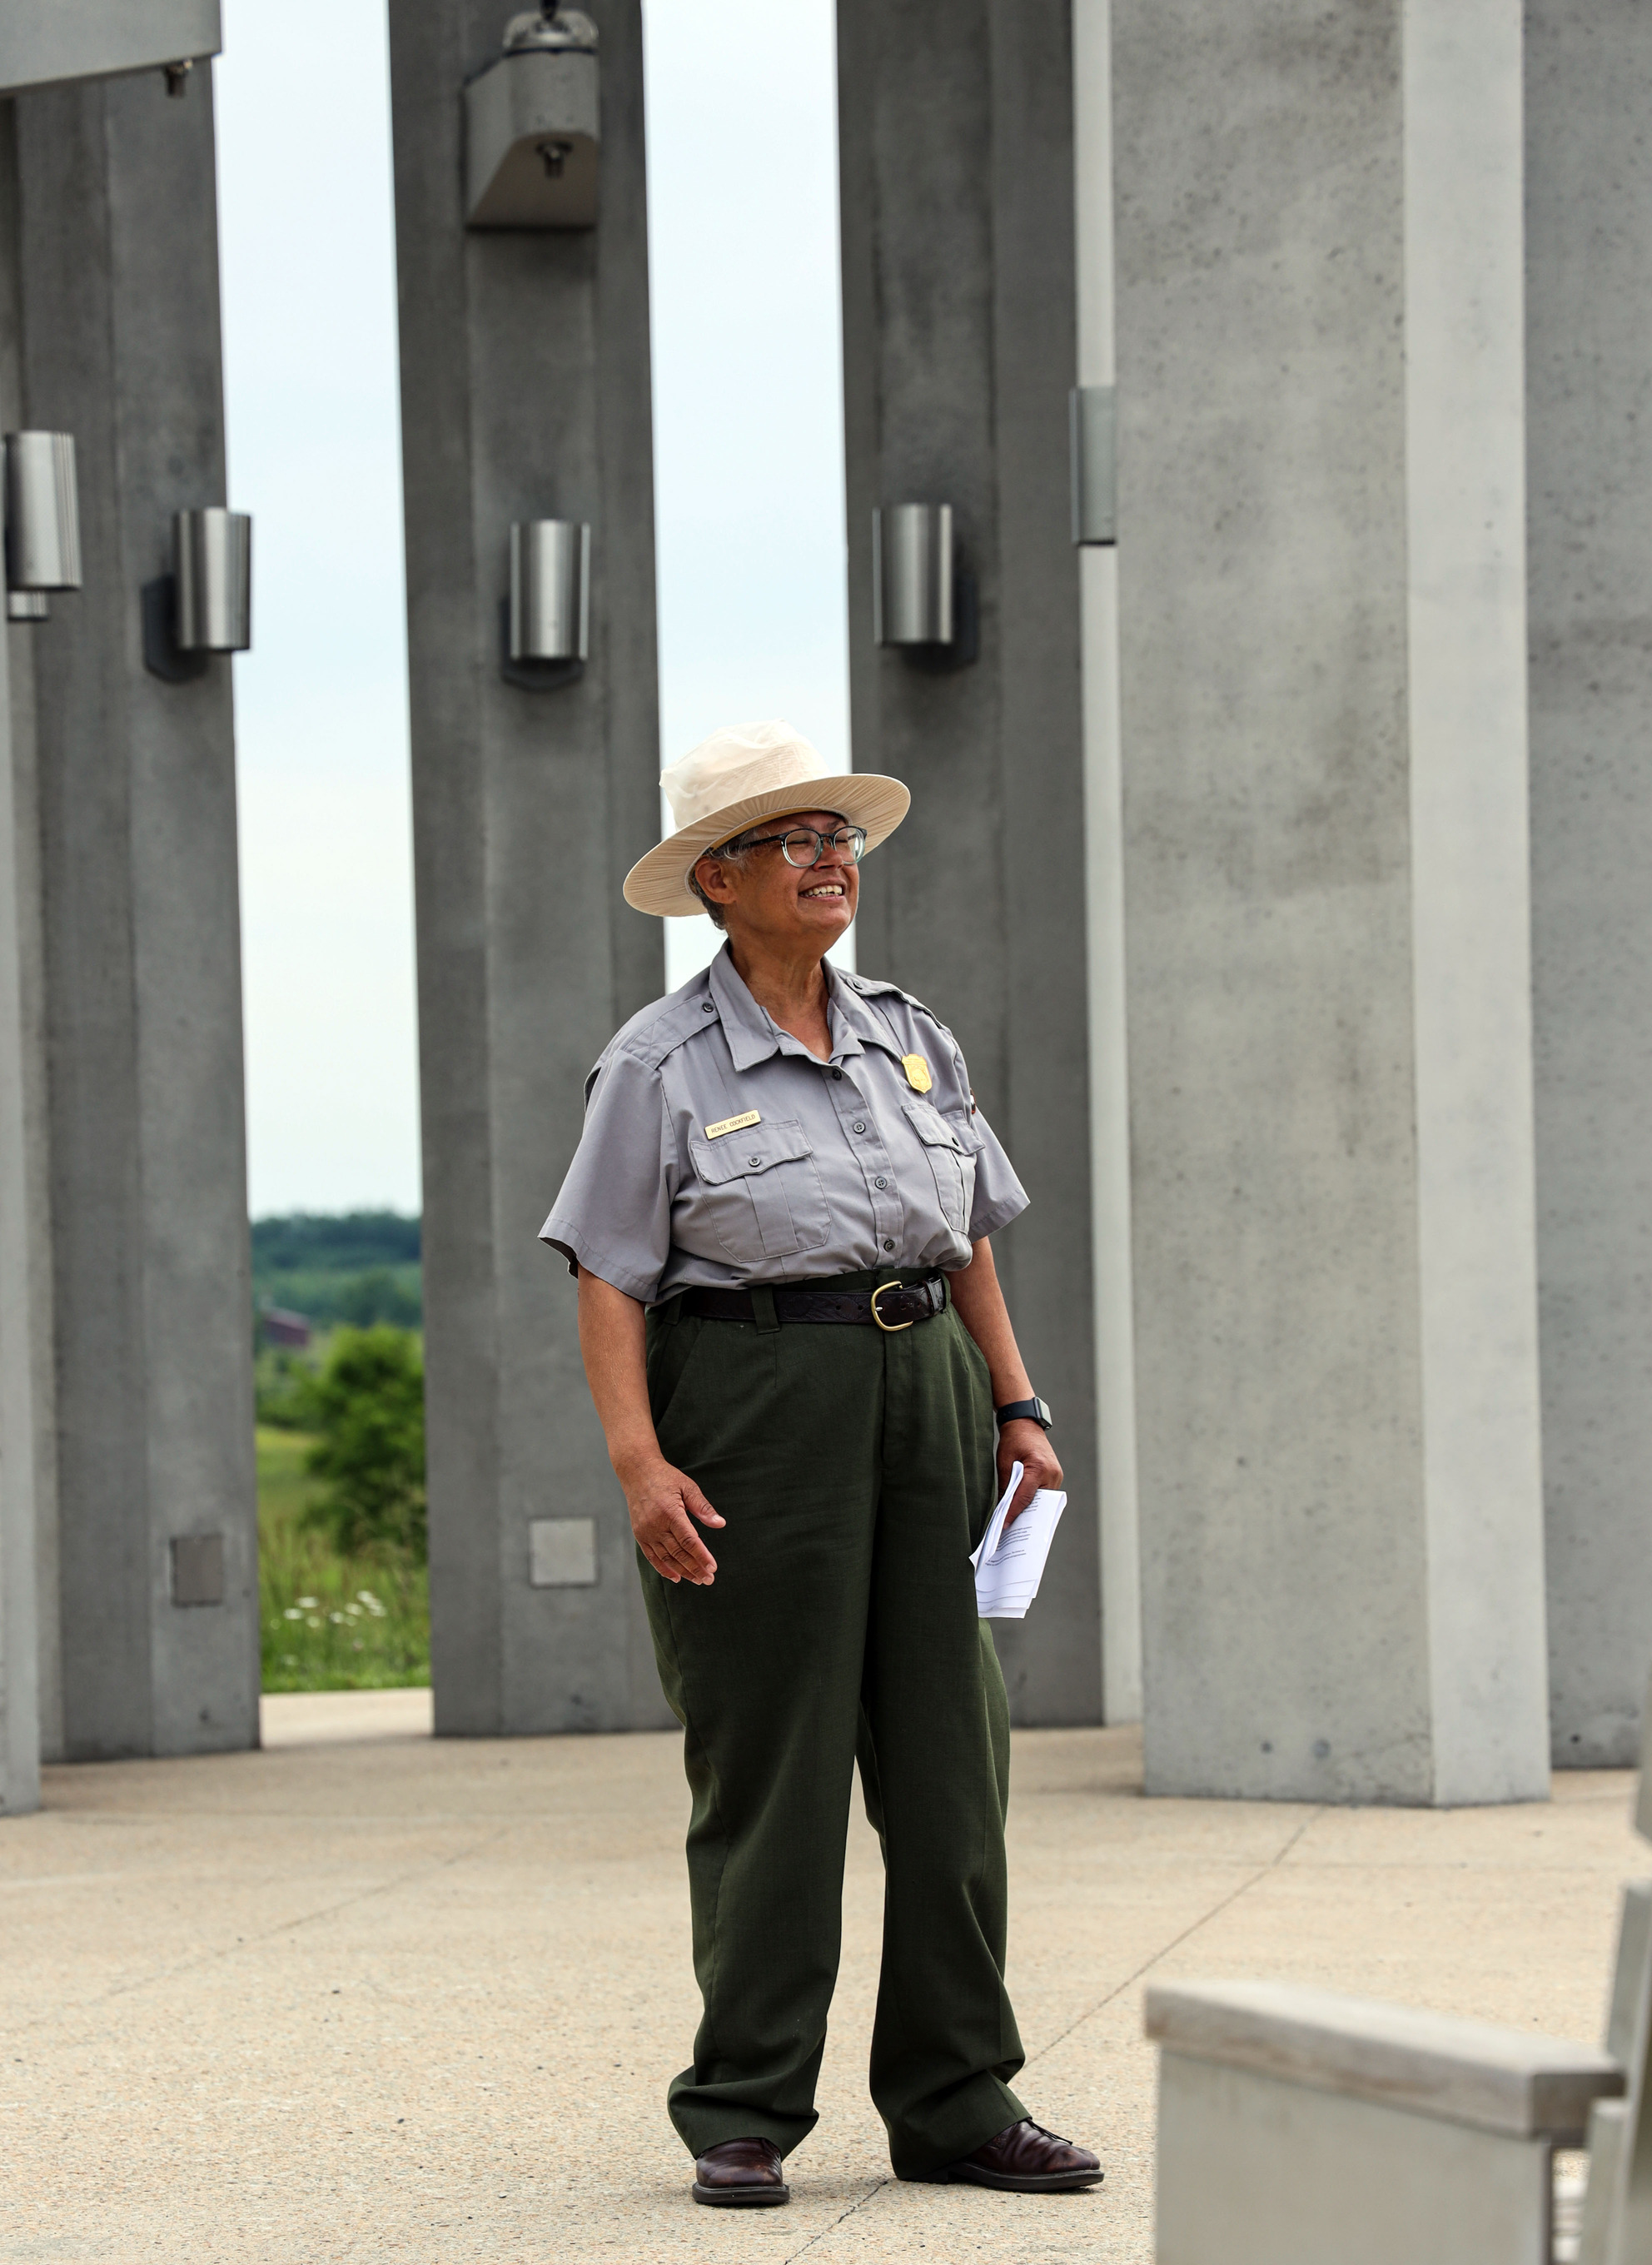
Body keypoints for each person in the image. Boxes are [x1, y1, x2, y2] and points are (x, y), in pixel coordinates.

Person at [540, 719, 1102, 2208]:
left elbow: (967, 1230)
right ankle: (742, 2106)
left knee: (950, 1766)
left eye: (838, 837)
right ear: (716, 882)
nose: (828, 859)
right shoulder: (656, 1063)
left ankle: (959, 2097)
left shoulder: (914, 1036)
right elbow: (606, 1274)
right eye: (793, 841)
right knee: (771, 1769)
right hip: (749, 1401)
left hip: (925, 1394)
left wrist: (1019, 1407)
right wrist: (638, 1464)